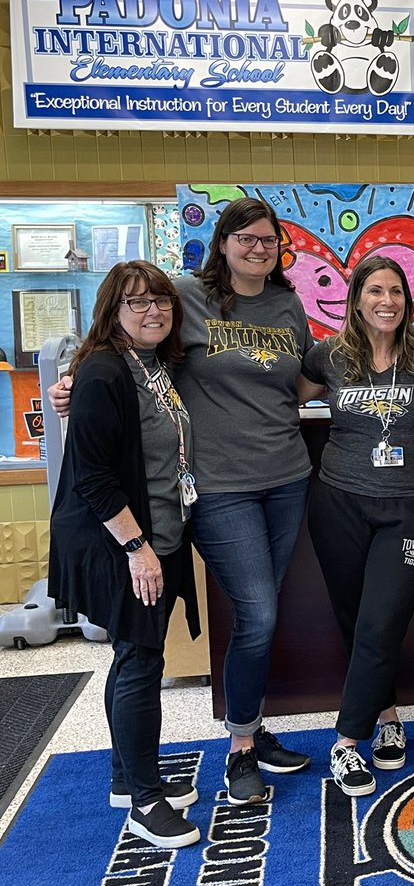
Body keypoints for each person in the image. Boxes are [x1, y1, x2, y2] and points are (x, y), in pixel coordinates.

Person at [50, 197, 315, 805]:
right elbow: (121, 338)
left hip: (287, 477)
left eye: (268, 240)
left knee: (261, 612)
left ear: (280, 249)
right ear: (221, 243)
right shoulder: (185, 296)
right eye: (244, 237)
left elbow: (299, 381)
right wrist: (75, 378)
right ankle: (240, 750)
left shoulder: (288, 305)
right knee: (260, 615)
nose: (257, 248)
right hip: (218, 489)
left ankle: (248, 728)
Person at [48, 262, 202, 848]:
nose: (152, 311)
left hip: (156, 533)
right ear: (112, 311)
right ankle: (144, 800)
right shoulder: (105, 371)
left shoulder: (153, 365)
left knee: (133, 656)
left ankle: (125, 776)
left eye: (160, 301)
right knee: (141, 661)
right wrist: (137, 547)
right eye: (136, 303)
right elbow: (92, 474)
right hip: (124, 542)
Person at [299, 256, 414, 795]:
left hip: (413, 507)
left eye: (396, 292)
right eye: (375, 291)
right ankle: (387, 716)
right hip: (338, 501)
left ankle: (345, 742)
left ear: (408, 302)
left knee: (382, 620)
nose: (387, 301)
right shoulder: (329, 355)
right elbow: (275, 398)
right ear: (356, 298)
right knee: (356, 618)